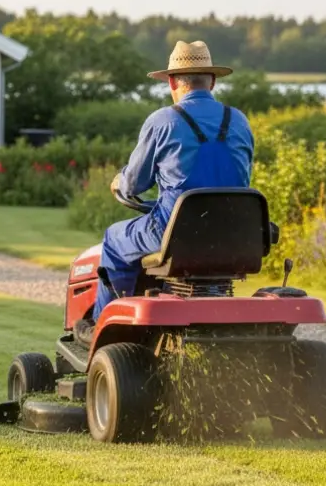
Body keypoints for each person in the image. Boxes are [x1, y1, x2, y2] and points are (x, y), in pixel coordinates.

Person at [81, 40, 254, 338]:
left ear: (172, 81)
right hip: (235, 232)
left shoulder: (163, 121)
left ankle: (105, 329)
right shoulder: (239, 120)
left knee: (114, 239)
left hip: (175, 231)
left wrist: (119, 181)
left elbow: (135, 183)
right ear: (212, 81)